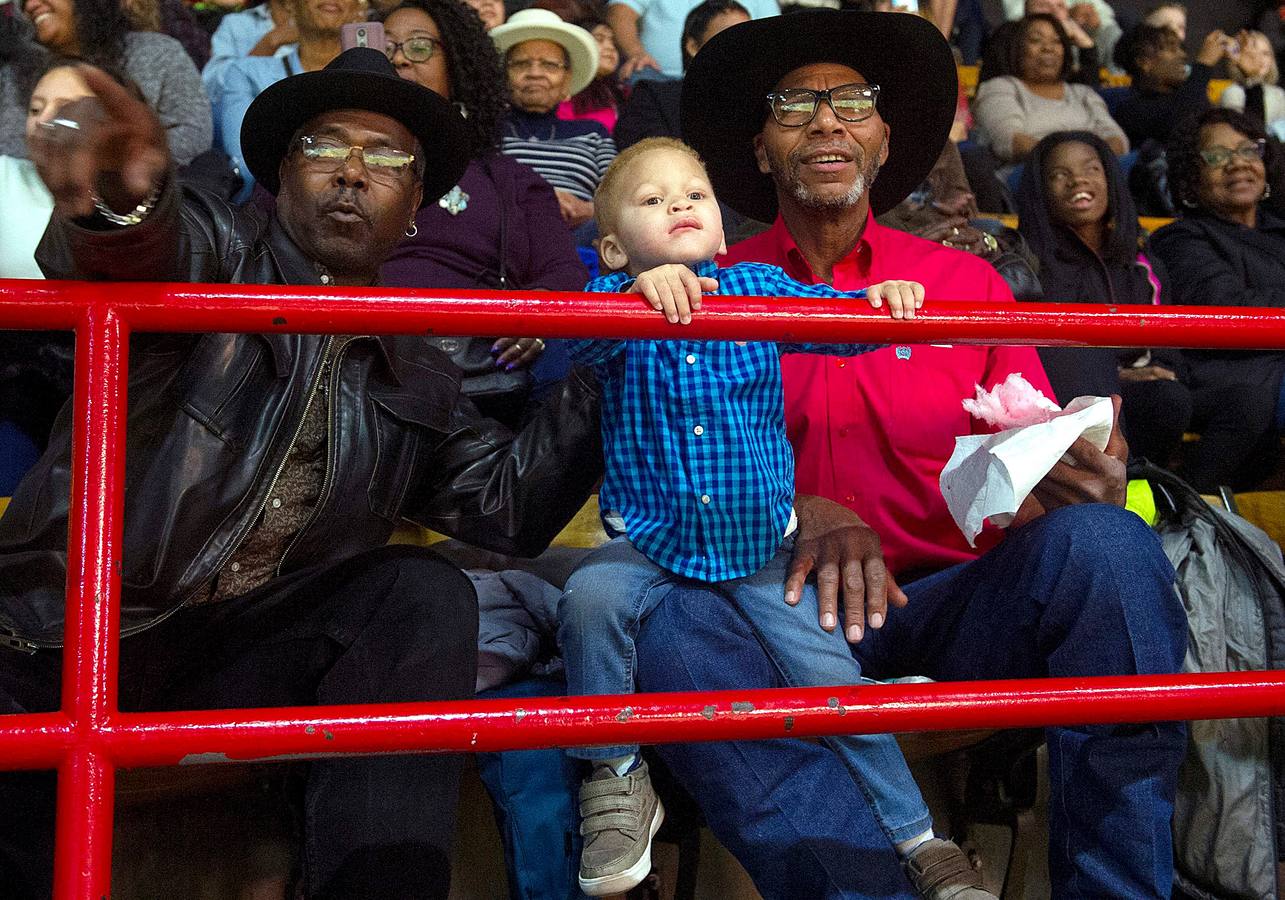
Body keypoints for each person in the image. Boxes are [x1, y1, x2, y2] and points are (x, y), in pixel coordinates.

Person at [0, 47, 605, 899]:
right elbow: (139, 241)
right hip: (56, 643)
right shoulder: (215, 255)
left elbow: (507, 511)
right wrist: (118, 193)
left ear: (415, 214)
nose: (354, 171)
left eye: (387, 158)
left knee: (422, 591)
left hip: (227, 654)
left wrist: (615, 365)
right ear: (280, 177)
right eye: (325, 147)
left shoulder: (419, 367)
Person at [633, 11, 1187, 898]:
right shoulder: (697, 294)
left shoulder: (965, 283)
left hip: (953, 600)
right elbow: (658, 487)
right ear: (762, 150)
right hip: (773, 612)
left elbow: (1023, 451)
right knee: (666, 632)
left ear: (884, 143)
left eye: (852, 102)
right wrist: (797, 513)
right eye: (794, 106)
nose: (826, 121)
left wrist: (1079, 479)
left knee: (1110, 548)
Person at [561, 137, 966, 898]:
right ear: (613, 247)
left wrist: (880, 304)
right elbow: (570, 339)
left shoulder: (750, 288)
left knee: (830, 684)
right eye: (653, 201)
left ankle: (918, 838)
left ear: (719, 229)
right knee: (587, 600)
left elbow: (828, 319)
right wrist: (634, 294)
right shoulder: (610, 308)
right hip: (652, 543)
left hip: (760, 550)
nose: (679, 204)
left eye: (694, 195)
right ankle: (613, 779)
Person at [379, 0, 588, 424]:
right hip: (359, 356)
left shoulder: (512, 180)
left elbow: (564, 272)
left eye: (418, 47)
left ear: (455, 64)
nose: (399, 57)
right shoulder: (335, 166)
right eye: (384, 47)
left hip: (479, 376)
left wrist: (538, 311)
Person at [1015, 130, 1191, 466]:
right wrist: (1119, 377)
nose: (1077, 180)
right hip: (1070, 398)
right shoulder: (1028, 264)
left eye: (1091, 169)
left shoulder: (1143, 264)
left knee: (1179, 398)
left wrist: (1159, 370)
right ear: (1041, 192)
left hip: (1139, 393)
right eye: (1058, 174)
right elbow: (1045, 361)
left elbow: (1169, 347)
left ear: (1109, 179)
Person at [1151, 107, 1285, 491]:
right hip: (1239, 377)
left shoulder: (1279, 233)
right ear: (1191, 180)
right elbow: (1227, 307)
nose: (1237, 164)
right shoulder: (1182, 240)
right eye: (1217, 156)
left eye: (1247, 150)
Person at [12, 0, 211, 165]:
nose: (31, 4)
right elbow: (10, 156)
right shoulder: (16, 76)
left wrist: (111, 163)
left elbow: (194, 136)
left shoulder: (157, 53)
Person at [216, 0, 364, 197]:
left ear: (358, 7)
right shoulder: (248, 74)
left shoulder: (371, 80)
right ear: (290, 6)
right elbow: (246, 164)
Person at [492, 8, 616, 236]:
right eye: (520, 64)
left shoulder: (594, 134)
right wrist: (540, 200)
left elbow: (620, 199)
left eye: (550, 65)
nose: (535, 73)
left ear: (567, 82)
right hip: (502, 233)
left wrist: (588, 210)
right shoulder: (486, 131)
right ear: (503, 77)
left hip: (580, 236)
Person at [972, 13, 1127, 171]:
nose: (1048, 48)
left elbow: (1118, 140)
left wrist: (1086, 165)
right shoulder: (1000, 88)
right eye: (1036, 40)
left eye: (1057, 41)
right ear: (1016, 48)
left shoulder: (1082, 93)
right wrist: (1071, 163)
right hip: (1031, 173)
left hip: (1095, 169)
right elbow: (1009, 142)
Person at [612, 0, 747, 150]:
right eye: (729, 34)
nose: (742, 45)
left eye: (748, 37)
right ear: (693, 47)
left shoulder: (762, 103)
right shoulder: (653, 99)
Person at [1112, 23, 1235, 148]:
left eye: (1180, 48)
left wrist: (1250, 76)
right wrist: (1204, 65)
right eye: (1172, 50)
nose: (1183, 55)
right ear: (1144, 62)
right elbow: (1184, 122)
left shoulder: (1186, 93)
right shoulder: (1130, 110)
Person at [605, 0, 777, 82]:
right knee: (639, 76)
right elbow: (619, 13)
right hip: (656, 77)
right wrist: (636, 54)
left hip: (734, 79)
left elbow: (773, 39)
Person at [201, 0, 298, 108]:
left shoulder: (319, 27)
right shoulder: (236, 24)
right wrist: (269, 43)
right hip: (246, 115)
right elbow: (210, 88)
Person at [558, 12, 626, 133]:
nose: (610, 47)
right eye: (599, 39)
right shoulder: (566, 91)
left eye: (613, 42)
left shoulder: (622, 93)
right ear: (579, 45)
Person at [1221, 29, 1285, 140]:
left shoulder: (1279, 94)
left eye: (1265, 53)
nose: (1259, 58)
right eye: (1253, 52)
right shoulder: (1233, 92)